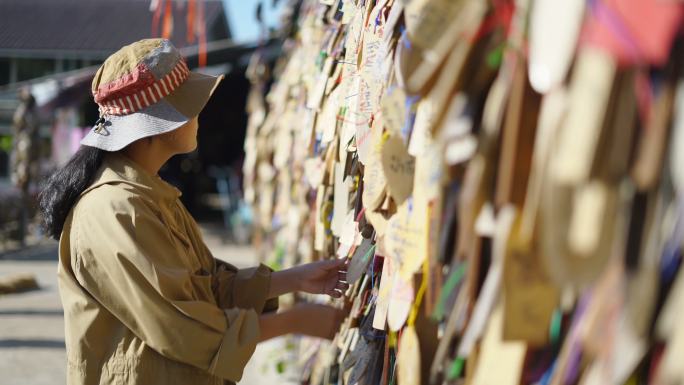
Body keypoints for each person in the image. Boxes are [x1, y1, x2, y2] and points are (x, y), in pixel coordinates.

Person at [39, 38, 349, 385]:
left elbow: (201, 289)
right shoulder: (116, 209)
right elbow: (179, 326)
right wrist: (294, 321)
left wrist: (292, 279)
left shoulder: (147, 195)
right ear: (157, 123)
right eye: (190, 104)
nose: (200, 114)